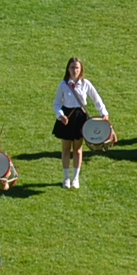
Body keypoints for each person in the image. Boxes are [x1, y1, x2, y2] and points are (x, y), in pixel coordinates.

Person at [53, 57, 110, 187]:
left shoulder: (86, 84)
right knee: (66, 149)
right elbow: (56, 104)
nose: (75, 70)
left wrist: (104, 113)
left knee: (78, 149)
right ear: (68, 69)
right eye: (72, 67)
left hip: (80, 118)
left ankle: (75, 178)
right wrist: (60, 115)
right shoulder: (63, 85)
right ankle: (66, 178)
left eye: (77, 68)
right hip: (66, 118)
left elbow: (97, 99)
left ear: (81, 69)